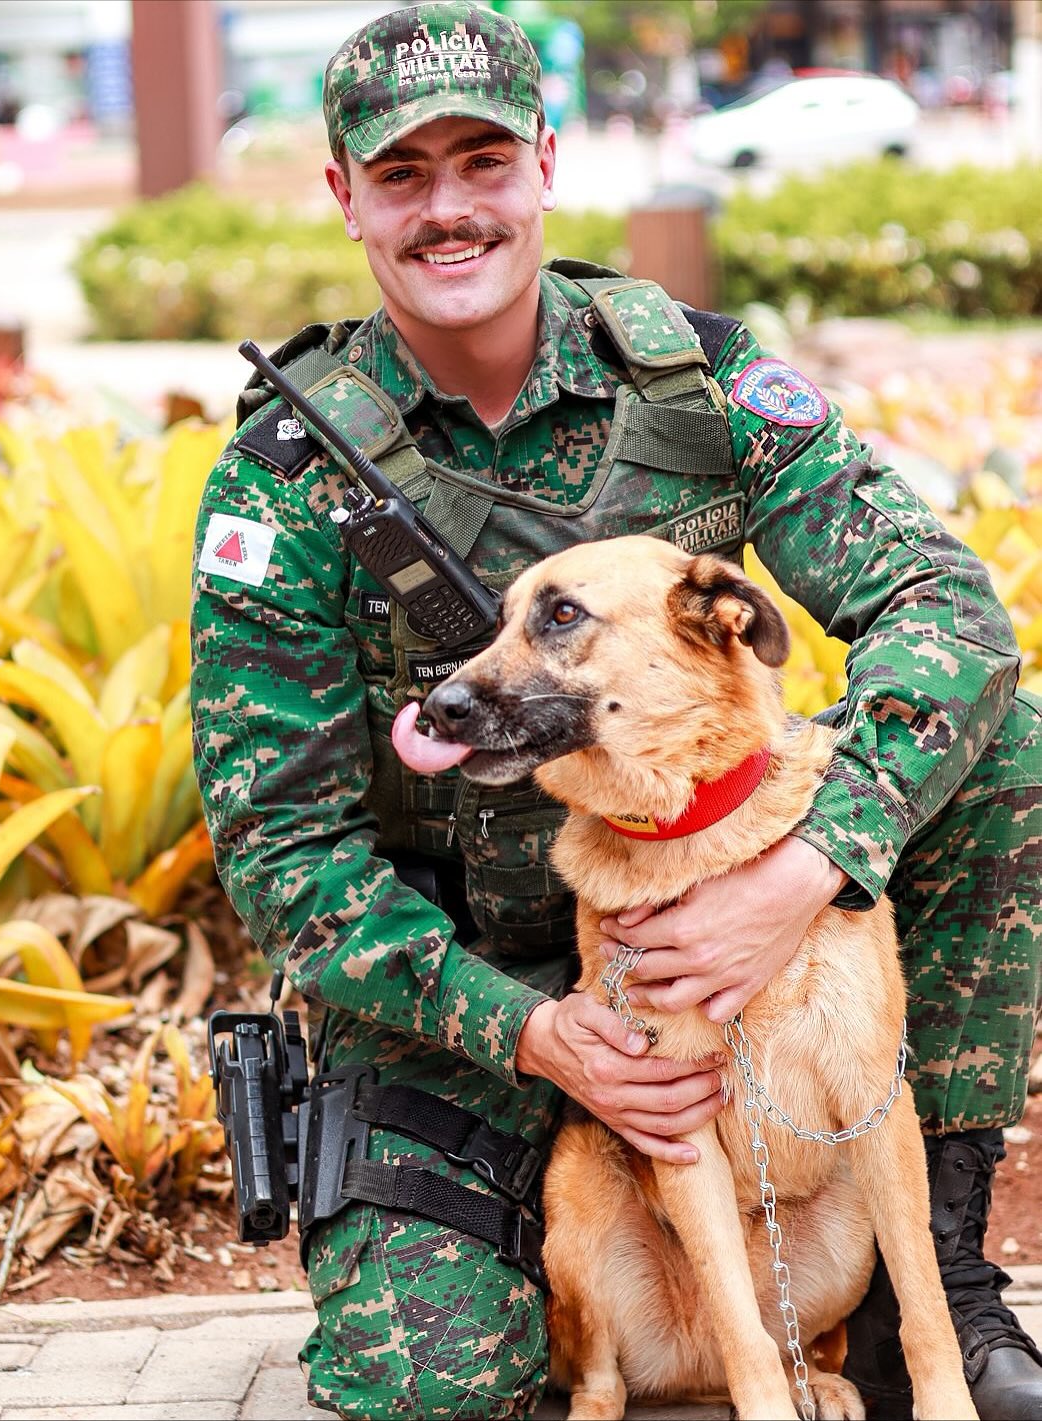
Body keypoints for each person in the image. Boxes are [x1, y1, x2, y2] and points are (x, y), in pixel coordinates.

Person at [190, 5, 1041, 1418]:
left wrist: (804, 865)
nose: (449, 208)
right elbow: (284, 855)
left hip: (722, 919)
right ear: (344, 194)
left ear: (544, 162)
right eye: (401, 174)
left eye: (482, 160)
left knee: (1002, 747)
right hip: (473, 993)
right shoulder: (288, 480)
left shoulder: (693, 383)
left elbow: (945, 609)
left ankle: (926, 1288)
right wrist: (539, 1033)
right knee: (431, 1381)